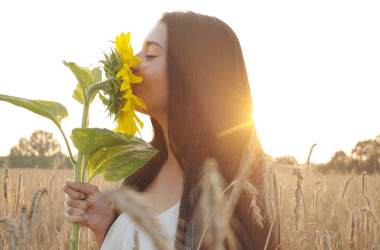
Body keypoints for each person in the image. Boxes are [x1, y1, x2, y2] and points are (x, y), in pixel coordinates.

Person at [63, 10, 280, 249]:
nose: (132, 63)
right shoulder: (145, 168)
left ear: (192, 73)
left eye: (151, 55)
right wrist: (107, 227)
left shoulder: (230, 190)